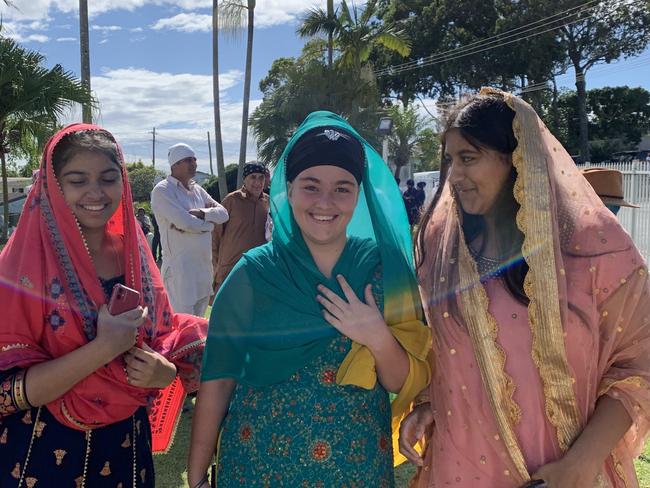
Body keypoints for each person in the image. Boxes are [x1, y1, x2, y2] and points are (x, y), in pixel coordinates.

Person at [399, 89, 650, 487]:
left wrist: (579, 465)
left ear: (516, 158)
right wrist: (428, 400)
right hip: (461, 466)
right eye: (450, 160)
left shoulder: (593, 246)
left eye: (468, 158)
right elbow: (437, 344)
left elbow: (639, 367)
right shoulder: (443, 247)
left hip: (564, 472)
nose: (454, 176)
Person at [188, 111, 432, 487]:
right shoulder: (254, 274)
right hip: (257, 464)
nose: (325, 202)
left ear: (359, 192)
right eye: (311, 186)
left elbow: (403, 379)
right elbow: (218, 380)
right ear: (288, 187)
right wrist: (197, 475)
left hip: (357, 465)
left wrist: (376, 336)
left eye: (342, 188)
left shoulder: (383, 271)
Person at [0, 125, 208, 487]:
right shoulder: (21, 267)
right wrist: (105, 347)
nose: (95, 192)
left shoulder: (134, 254)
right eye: (77, 180)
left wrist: (165, 374)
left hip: (125, 447)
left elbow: (160, 338)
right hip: (40, 452)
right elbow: (5, 393)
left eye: (108, 178)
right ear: (54, 184)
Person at [151, 143, 228, 316]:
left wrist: (202, 213)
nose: (194, 163)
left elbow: (223, 214)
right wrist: (209, 224)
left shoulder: (198, 190)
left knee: (199, 327)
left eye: (194, 159)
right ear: (174, 165)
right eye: (187, 160)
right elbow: (185, 222)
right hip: (180, 272)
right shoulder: (163, 190)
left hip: (203, 270)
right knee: (182, 327)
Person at [211, 161, 270, 295]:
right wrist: (216, 266)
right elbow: (215, 235)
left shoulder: (268, 203)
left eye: (261, 177)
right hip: (230, 270)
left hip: (257, 270)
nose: (257, 182)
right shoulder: (231, 200)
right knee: (226, 313)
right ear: (244, 179)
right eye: (253, 177)